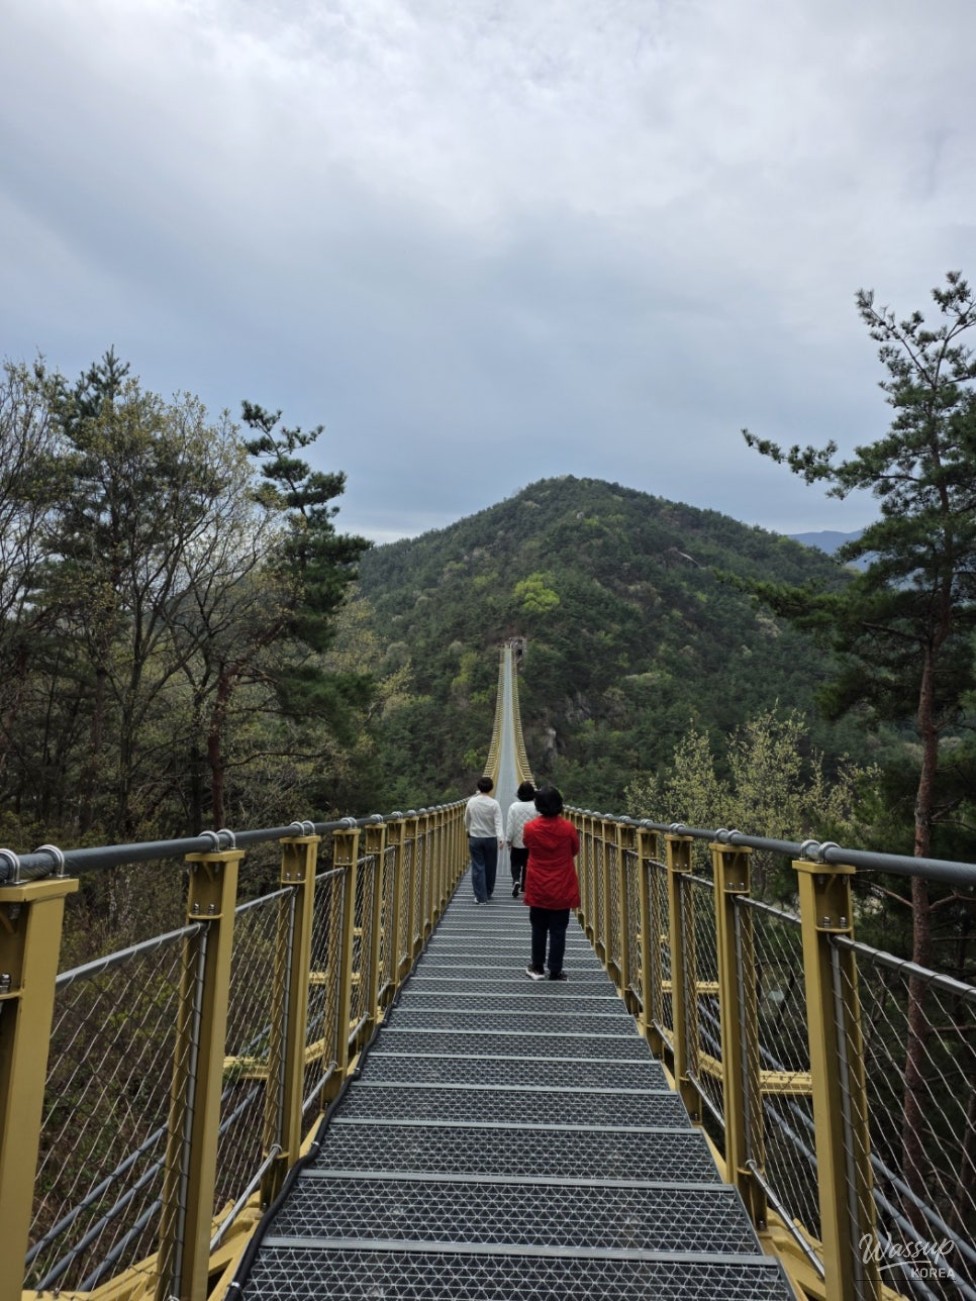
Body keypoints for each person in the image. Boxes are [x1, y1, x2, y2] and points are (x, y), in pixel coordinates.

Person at [522, 785, 580, 981]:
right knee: (558, 930)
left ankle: (537, 967)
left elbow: (528, 845)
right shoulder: (568, 828)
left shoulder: (530, 828)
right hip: (562, 884)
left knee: (538, 928)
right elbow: (574, 849)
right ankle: (555, 970)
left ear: (538, 805)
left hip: (538, 883)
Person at [464, 775, 504, 904]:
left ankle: (481, 897)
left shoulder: (471, 802)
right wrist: (501, 838)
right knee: (490, 866)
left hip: (475, 838)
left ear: (478, 787)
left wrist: (468, 830)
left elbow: (467, 819)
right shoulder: (494, 804)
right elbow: (498, 822)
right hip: (491, 838)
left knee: (478, 867)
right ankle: (488, 892)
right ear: (491, 788)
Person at [505, 780, 537, 896]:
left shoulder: (513, 807)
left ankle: (516, 880)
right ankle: (524, 886)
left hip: (517, 842)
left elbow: (510, 826)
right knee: (527, 864)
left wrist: (508, 839)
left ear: (519, 793)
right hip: (531, 842)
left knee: (515, 863)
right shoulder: (536, 807)